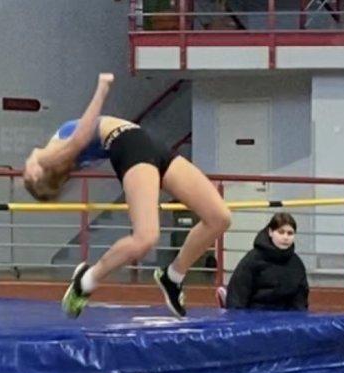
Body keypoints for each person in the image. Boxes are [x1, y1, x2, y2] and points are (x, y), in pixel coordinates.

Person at [23, 73, 231, 318]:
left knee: (219, 218)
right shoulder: (57, 162)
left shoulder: (47, 156)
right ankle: (86, 280)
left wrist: (102, 89)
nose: (28, 169)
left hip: (143, 141)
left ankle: (173, 276)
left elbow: (79, 137)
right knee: (145, 238)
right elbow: (80, 141)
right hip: (131, 144)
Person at [217, 212, 309, 311]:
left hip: (285, 317)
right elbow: (238, 295)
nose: (285, 237)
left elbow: (300, 302)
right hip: (254, 315)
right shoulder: (252, 260)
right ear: (270, 232)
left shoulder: (297, 264)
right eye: (281, 232)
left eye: (290, 233)